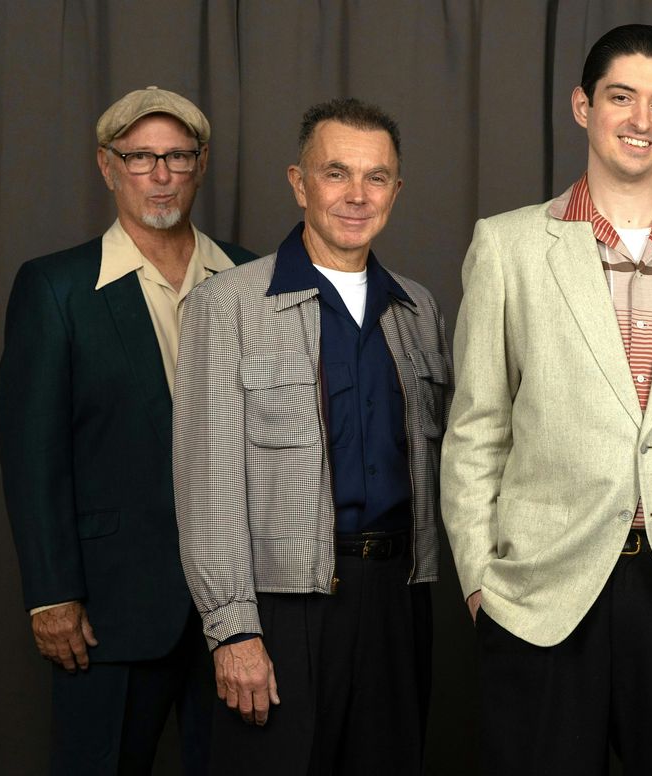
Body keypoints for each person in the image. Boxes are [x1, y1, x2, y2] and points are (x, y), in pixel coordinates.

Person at [440, 24, 652, 775]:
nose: (641, 120)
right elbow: (476, 429)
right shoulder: (507, 246)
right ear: (582, 106)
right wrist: (480, 580)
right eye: (621, 97)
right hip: (542, 590)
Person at [172, 97, 451, 774]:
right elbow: (206, 486)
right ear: (299, 184)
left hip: (398, 598)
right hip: (281, 607)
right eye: (336, 173)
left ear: (396, 191)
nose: (357, 195)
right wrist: (232, 631)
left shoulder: (418, 309)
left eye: (376, 177)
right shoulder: (227, 305)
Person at [0, 86, 255, 775]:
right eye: (140, 157)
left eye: (177, 156)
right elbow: (32, 453)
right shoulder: (56, 287)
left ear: (201, 164)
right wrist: (51, 593)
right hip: (110, 605)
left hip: (242, 609)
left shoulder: (253, 276)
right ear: (107, 166)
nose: (160, 175)